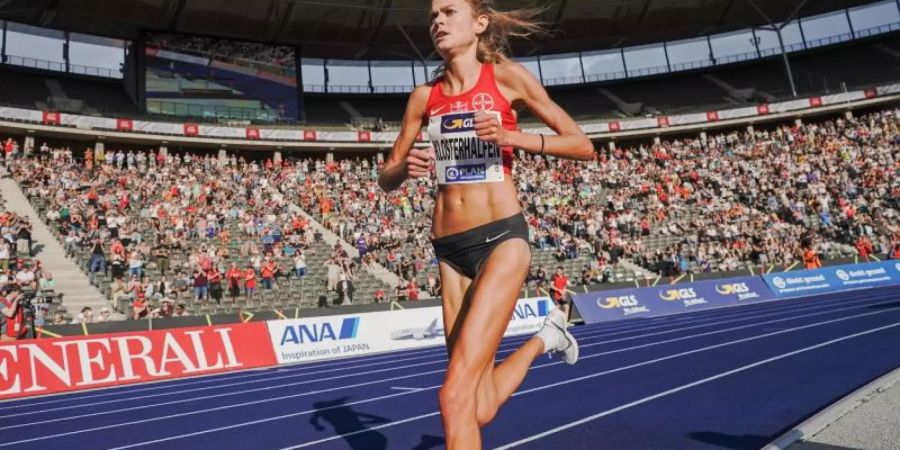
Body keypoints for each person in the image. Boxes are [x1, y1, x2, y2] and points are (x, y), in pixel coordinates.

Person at [378, 1, 591, 447]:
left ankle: (547, 336)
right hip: (450, 254)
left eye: (449, 11)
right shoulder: (424, 96)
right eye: (433, 15)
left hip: (502, 240)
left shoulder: (507, 77)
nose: (437, 21)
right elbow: (387, 176)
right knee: (477, 404)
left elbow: (582, 145)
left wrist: (512, 136)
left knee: (453, 396)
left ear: (479, 23)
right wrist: (405, 168)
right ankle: (546, 338)